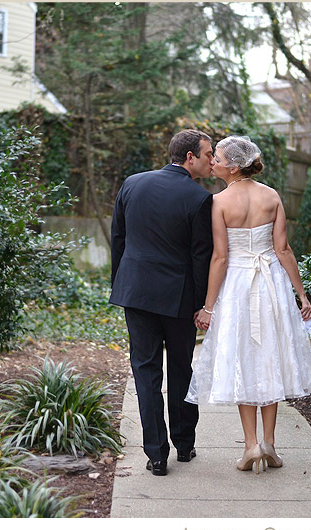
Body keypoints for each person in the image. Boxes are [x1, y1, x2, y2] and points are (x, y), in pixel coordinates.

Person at [185, 135, 311, 474]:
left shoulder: (218, 202)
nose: (212, 161)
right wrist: (301, 295)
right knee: (269, 358)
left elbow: (220, 258)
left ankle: (250, 446)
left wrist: (209, 307)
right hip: (272, 285)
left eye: (216, 156)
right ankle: (270, 444)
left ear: (233, 165)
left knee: (243, 360)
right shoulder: (272, 196)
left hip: (237, 288)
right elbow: (284, 250)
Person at [110, 129, 214, 476]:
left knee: (145, 370)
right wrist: (202, 304)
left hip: (136, 292)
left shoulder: (132, 183)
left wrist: (121, 284)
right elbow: (202, 257)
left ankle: (156, 455)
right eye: (207, 154)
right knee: (182, 369)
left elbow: (119, 239)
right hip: (178, 298)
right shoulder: (200, 199)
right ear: (190, 157)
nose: (211, 161)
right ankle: (184, 445)